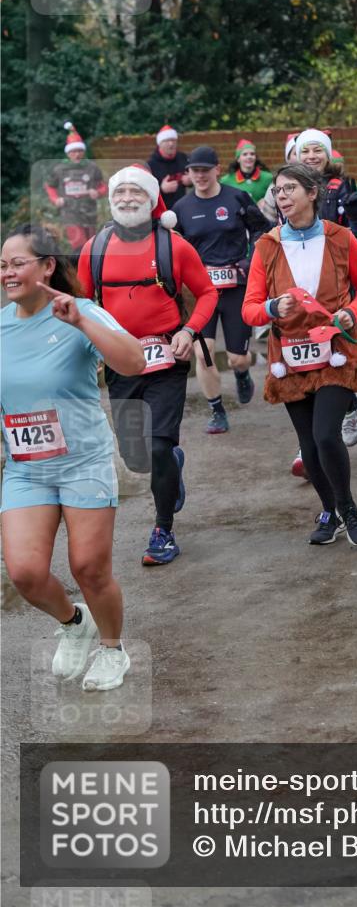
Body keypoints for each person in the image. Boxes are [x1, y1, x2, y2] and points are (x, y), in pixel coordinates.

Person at [1, 225, 145, 690]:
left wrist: (83, 322)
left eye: (17, 262)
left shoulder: (79, 311)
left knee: (89, 567)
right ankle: (73, 623)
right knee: (24, 572)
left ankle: (112, 649)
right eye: (3, 265)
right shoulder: (1, 326)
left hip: (83, 461)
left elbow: (134, 362)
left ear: (47, 266)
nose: (8, 272)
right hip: (26, 470)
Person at [78, 165, 217, 564]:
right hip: (121, 361)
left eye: (135, 192)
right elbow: (84, 306)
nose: (126, 198)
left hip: (167, 360)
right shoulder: (95, 247)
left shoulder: (172, 246)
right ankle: (171, 465)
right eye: (119, 192)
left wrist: (189, 332)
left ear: (152, 199)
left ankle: (163, 530)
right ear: (111, 200)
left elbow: (206, 293)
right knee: (136, 457)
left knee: (157, 445)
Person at [242, 163, 357, 546]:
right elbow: (249, 308)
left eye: (289, 189)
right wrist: (271, 309)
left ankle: (349, 509)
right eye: (277, 191)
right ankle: (331, 510)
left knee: (326, 435)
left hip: (337, 351)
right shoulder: (267, 247)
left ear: (312, 193)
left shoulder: (340, 238)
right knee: (309, 447)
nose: (281, 196)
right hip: (289, 359)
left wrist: (351, 312)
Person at [173, 146, 271, 433]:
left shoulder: (236, 197)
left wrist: (249, 259)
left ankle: (244, 370)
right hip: (201, 292)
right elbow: (173, 246)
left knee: (235, 357)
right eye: (195, 171)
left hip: (235, 287)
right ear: (188, 174)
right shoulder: (181, 209)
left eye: (206, 170)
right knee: (203, 353)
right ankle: (217, 412)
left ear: (217, 169)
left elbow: (261, 230)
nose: (200, 175)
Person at [295, 128, 357, 455]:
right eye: (305, 151)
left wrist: (355, 218)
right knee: (301, 356)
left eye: (317, 150)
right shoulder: (289, 187)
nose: (312, 156)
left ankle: (349, 403)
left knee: (335, 353)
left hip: (336, 288)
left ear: (328, 154)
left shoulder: (343, 189)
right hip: (298, 284)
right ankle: (309, 443)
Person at [45, 122, 106, 262]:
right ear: (68, 153)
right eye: (73, 152)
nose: (77, 154)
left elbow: (103, 186)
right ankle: (79, 273)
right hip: (69, 212)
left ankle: (93, 272)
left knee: (91, 243)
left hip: (89, 211)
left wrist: (98, 192)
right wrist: (55, 199)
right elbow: (50, 186)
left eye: (79, 151)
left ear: (83, 152)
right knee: (79, 244)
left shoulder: (92, 167)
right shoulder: (59, 169)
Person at [146, 125, 191, 209]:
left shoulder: (183, 158)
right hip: (161, 211)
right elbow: (146, 193)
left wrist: (190, 180)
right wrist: (161, 189)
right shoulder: (151, 165)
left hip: (182, 208)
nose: (171, 143)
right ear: (160, 143)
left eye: (173, 140)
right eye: (167, 140)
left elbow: (194, 177)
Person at [220, 138, 272, 204]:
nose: (249, 157)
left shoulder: (268, 178)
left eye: (252, 154)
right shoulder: (226, 181)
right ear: (238, 159)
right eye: (245, 154)